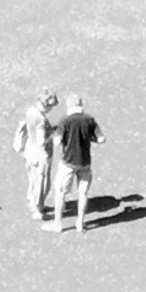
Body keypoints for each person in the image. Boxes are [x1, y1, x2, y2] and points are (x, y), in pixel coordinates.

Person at [44, 93, 103, 235]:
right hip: (85, 162)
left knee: (60, 192)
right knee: (83, 193)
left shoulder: (65, 121)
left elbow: (57, 142)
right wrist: (88, 138)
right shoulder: (89, 120)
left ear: (69, 105)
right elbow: (101, 139)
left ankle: (57, 224)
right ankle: (80, 224)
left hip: (68, 162)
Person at [20, 87, 58, 221]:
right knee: (41, 182)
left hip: (29, 149)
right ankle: (38, 208)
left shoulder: (30, 111)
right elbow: (41, 141)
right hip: (40, 154)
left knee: (32, 179)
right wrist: (52, 134)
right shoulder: (41, 119)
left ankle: (33, 203)